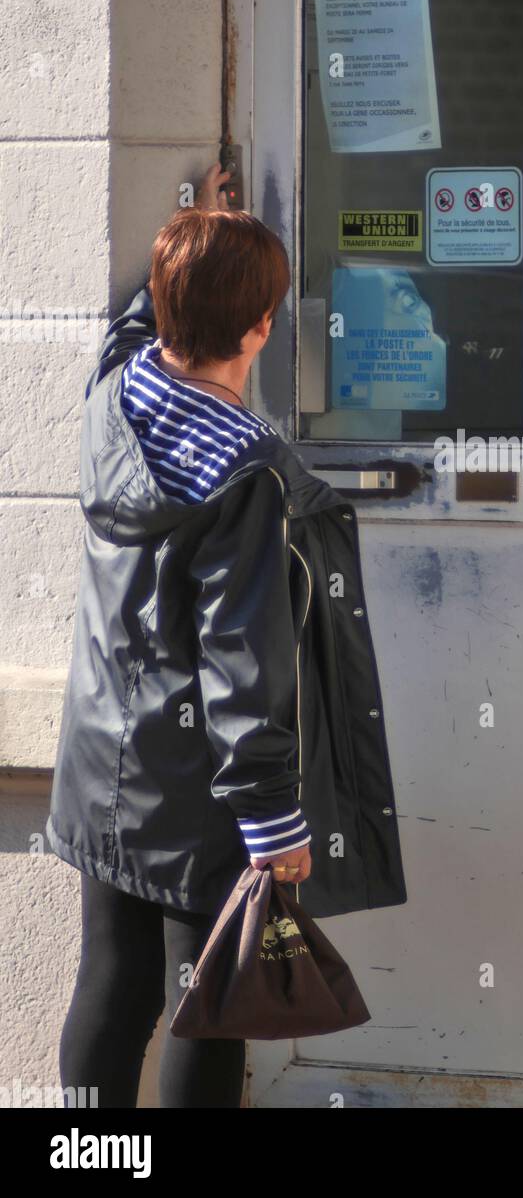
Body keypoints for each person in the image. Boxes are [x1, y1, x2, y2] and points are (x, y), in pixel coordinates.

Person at [48, 164, 407, 1108]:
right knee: (206, 1000)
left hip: (100, 764)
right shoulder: (243, 477)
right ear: (260, 330)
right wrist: (271, 822)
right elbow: (243, 662)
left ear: (165, 310)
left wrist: (196, 226)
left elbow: (136, 323)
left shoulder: (113, 397)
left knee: (110, 984)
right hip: (199, 790)